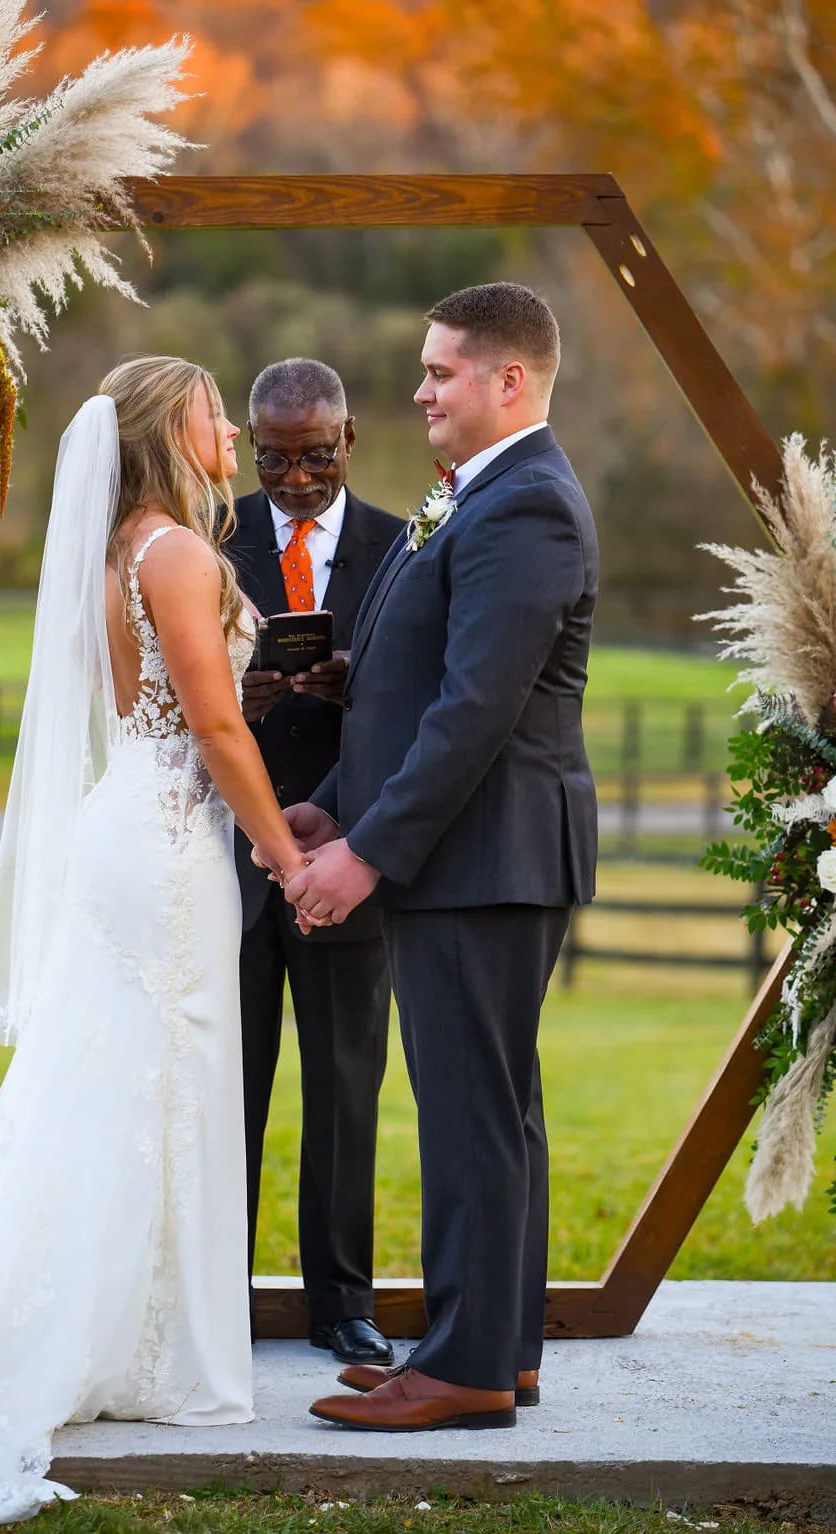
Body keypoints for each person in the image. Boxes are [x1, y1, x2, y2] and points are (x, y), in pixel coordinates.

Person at [0, 356, 311, 1527]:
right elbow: (214, 721)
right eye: (211, 412)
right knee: (154, 1085)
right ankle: (143, 1352)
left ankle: (127, 1340)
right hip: (167, 843)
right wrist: (286, 860)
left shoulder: (121, 550)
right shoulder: (178, 553)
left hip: (135, 821)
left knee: (117, 1087)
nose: (230, 426)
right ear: (166, 432)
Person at [275, 284, 599, 1431]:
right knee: (492, 1106)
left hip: (489, 852)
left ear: (508, 381)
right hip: (471, 851)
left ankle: (461, 1368)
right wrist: (330, 806)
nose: (416, 392)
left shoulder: (527, 509)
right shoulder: (476, 496)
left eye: (438, 372)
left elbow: (474, 713)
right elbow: (407, 684)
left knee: (472, 1109)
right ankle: (497, 1347)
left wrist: (365, 853)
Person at [227, 359, 403, 1365]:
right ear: (252, 445)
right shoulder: (211, 539)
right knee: (229, 1091)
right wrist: (237, 708)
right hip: (233, 863)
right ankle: (222, 1298)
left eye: (314, 455)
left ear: (349, 441)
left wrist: (353, 696)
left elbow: (425, 692)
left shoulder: (400, 546)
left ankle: (341, 1302)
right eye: (274, 456)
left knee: (344, 1089)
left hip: (347, 855)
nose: (294, 477)